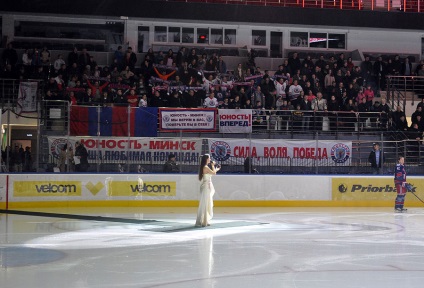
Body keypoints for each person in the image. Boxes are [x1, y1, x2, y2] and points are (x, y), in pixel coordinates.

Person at [195, 154, 221, 227]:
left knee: (207, 203)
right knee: (205, 203)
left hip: (207, 186)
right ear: (206, 159)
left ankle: (205, 220)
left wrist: (217, 169)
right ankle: (204, 220)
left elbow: (211, 174)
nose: (210, 159)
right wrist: (213, 166)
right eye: (209, 158)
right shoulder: (205, 167)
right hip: (206, 187)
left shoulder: (205, 167)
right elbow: (213, 173)